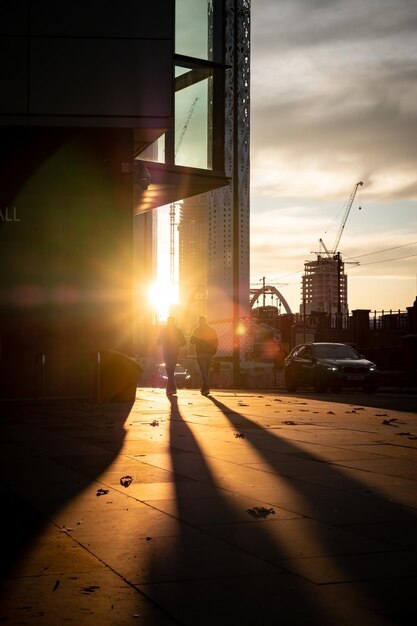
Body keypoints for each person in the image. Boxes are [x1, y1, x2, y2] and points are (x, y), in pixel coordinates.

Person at [156, 316, 186, 396]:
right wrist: (178, 344)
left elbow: (158, 342)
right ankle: (171, 389)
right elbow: (184, 342)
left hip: (166, 353)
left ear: (168, 321)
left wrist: (163, 342)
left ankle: (172, 389)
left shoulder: (164, 331)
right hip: (175, 352)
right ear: (174, 321)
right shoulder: (178, 331)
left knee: (169, 371)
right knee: (171, 371)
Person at [189, 316, 218, 396]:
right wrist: (213, 352)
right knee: (206, 372)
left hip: (201, 353)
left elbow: (191, 340)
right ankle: (204, 389)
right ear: (206, 321)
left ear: (199, 321)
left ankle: (207, 387)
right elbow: (216, 342)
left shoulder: (197, 330)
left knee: (203, 372)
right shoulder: (212, 330)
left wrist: (199, 341)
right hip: (210, 354)